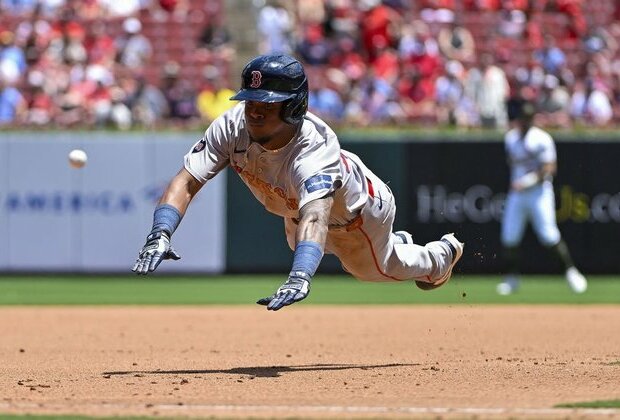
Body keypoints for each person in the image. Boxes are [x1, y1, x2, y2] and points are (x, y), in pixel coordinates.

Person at [131, 54, 464, 311]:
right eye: (250, 101)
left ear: (294, 106)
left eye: (267, 104)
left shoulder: (314, 149)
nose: (255, 112)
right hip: (297, 212)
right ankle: (395, 243)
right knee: (301, 240)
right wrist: (160, 233)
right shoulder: (231, 127)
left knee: (375, 269)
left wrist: (300, 275)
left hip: (355, 216)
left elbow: (317, 216)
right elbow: (186, 181)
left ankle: (439, 257)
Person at [496, 101, 587, 295]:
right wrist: (520, 183)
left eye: (528, 119)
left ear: (533, 119)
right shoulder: (511, 138)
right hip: (517, 195)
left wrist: (527, 181)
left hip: (539, 193)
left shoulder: (542, 139)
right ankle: (512, 278)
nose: (525, 122)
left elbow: (549, 168)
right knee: (509, 237)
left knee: (549, 235)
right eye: (523, 119)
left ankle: (571, 272)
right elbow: (512, 162)